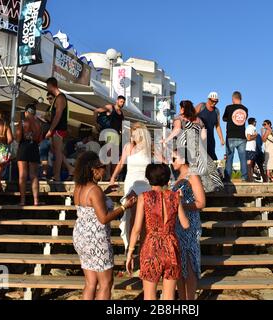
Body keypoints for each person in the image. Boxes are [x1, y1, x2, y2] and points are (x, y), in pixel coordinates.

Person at [73, 151, 137, 300]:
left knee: (90, 282)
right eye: (102, 167)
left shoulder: (79, 187)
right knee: (106, 283)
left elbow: (89, 204)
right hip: (96, 240)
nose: (104, 170)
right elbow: (103, 218)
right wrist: (124, 207)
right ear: (93, 169)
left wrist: (105, 192)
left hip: (81, 237)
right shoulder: (94, 190)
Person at [126, 164, 189, 301]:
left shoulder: (144, 197)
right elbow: (185, 224)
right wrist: (180, 201)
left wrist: (130, 252)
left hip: (151, 248)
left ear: (149, 179)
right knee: (169, 297)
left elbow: (136, 228)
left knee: (149, 296)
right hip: (171, 247)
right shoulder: (175, 197)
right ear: (167, 179)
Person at [163, 100, 224, 193]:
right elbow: (204, 136)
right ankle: (206, 189)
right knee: (203, 168)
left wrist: (166, 140)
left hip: (185, 147)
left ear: (182, 108)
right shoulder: (198, 120)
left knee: (186, 169)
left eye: (180, 108)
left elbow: (177, 129)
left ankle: (189, 191)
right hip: (198, 146)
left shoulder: (179, 118)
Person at [109, 122, 152, 250]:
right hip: (131, 183)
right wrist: (113, 177)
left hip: (145, 183)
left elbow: (163, 162)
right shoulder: (128, 147)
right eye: (132, 132)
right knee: (129, 216)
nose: (133, 135)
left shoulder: (150, 147)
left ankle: (143, 248)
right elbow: (121, 163)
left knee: (144, 217)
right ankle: (130, 247)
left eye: (135, 132)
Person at [171, 151, 206, 301]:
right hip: (176, 224)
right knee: (179, 263)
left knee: (190, 263)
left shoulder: (192, 175)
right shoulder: (176, 177)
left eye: (174, 158)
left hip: (190, 224)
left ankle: (190, 300)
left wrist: (181, 205)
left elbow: (201, 202)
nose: (171, 161)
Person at [45, 77, 71, 181]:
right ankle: (69, 169)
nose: (47, 88)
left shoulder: (60, 98)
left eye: (47, 86)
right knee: (56, 151)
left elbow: (58, 115)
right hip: (57, 128)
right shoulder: (58, 98)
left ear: (51, 85)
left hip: (59, 129)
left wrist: (51, 129)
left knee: (58, 153)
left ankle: (57, 175)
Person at [16, 104, 42, 206]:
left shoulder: (22, 122)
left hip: (23, 147)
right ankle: (36, 200)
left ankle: (22, 200)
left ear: (26, 112)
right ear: (34, 112)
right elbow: (40, 139)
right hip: (34, 147)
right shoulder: (38, 123)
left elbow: (18, 138)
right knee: (34, 175)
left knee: (22, 175)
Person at [94, 96, 126, 172]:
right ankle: (108, 173)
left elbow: (121, 125)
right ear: (117, 101)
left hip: (117, 134)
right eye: (121, 101)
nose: (122, 103)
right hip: (109, 132)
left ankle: (112, 174)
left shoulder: (121, 113)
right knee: (109, 152)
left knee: (114, 155)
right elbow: (96, 111)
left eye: (123, 102)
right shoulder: (110, 107)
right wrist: (95, 123)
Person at [223, 91, 249, 182]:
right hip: (242, 137)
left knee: (229, 159)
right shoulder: (245, 109)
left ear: (233, 98)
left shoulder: (228, 107)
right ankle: (244, 178)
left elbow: (224, 118)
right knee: (243, 159)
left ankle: (227, 179)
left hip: (230, 136)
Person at [195, 92, 225, 161]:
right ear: (208, 99)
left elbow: (217, 126)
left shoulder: (216, 111)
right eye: (212, 101)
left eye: (216, 101)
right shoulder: (201, 106)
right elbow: (191, 117)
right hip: (199, 136)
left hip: (210, 139)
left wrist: (221, 139)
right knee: (200, 158)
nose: (214, 103)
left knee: (212, 159)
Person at [245, 118, 258, 182]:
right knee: (249, 163)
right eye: (255, 121)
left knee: (251, 163)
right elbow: (248, 138)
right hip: (250, 148)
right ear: (253, 122)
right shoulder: (251, 127)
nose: (256, 123)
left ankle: (250, 177)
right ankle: (249, 178)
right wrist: (255, 136)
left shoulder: (249, 127)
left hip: (251, 148)